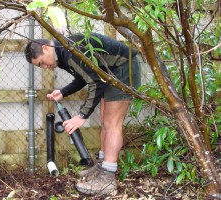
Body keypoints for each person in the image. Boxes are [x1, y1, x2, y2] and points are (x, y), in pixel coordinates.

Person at [25, 32, 141, 195]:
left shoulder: (70, 50)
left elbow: (95, 83)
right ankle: (102, 165)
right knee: (104, 120)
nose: (44, 67)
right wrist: (63, 92)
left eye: (41, 63)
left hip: (123, 67)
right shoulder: (62, 54)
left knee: (112, 123)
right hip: (108, 73)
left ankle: (107, 178)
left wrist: (82, 116)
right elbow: (83, 77)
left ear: (46, 48)